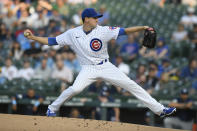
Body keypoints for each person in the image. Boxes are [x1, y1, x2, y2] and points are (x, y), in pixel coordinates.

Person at [23, 8, 176, 117]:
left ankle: (159, 109)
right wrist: (33, 37)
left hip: (105, 66)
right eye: (95, 17)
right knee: (75, 89)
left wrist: (142, 27)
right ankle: (52, 107)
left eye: (98, 17)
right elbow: (51, 41)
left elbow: (125, 31)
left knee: (131, 85)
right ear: (86, 19)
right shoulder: (72, 33)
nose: (98, 19)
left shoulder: (103, 30)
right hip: (88, 69)